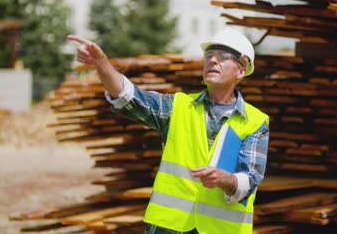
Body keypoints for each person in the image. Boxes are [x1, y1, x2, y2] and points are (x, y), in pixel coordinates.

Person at [67, 27, 269, 234]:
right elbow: (129, 97)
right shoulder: (179, 107)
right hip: (169, 227)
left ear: (242, 70)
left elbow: (249, 180)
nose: (212, 61)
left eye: (224, 56)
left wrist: (224, 179)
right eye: (209, 55)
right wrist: (101, 63)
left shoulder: (255, 122)